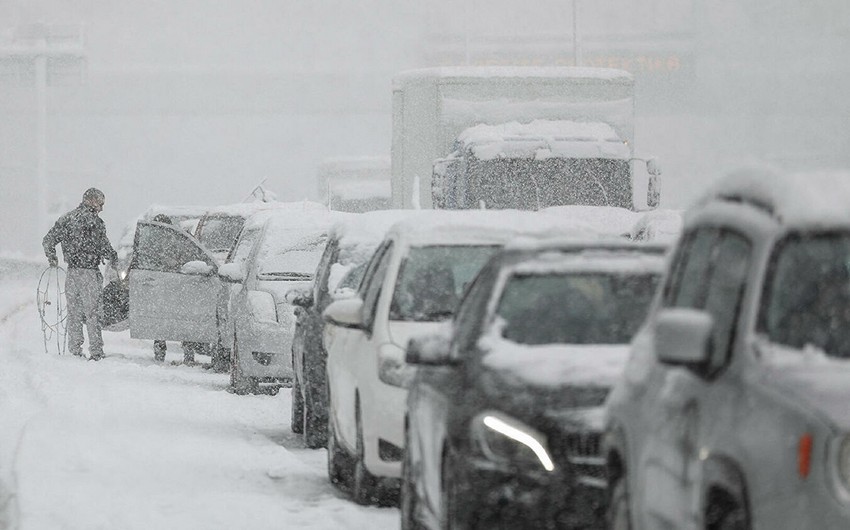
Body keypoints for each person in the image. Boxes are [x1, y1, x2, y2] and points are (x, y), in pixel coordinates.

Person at [43, 188, 117, 360]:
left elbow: (48, 240)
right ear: (91, 200)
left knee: (74, 312)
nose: (101, 208)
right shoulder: (95, 222)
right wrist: (113, 257)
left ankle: (75, 349)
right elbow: (104, 247)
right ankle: (96, 351)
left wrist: (52, 258)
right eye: (100, 203)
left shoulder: (67, 219)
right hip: (89, 273)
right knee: (92, 313)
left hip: (72, 273)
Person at [147, 213, 196, 365]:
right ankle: (188, 352)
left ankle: (161, 352)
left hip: (169, 285)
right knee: (181, 320)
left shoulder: (155, 242)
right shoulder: (180, 238)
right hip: (177, 285)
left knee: (164, 320)